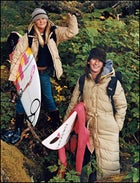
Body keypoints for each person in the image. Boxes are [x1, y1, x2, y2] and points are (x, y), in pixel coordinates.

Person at [5, 8, 78, 144]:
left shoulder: (54, 32)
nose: (41, 21)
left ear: (47, 19)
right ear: (34, 21)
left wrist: (71, 17)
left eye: (43, 18)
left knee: (48, 97)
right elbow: (17, 56)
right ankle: (18, 128)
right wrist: (12, 77)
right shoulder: (29, 36)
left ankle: (56, 125)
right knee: (22, 99)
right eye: (38, 19)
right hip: (30, 74)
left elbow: (72, 32)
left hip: (44, 72)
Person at [63, 47, 127, 181]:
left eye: (100, 60)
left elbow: (121, 106)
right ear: (88, 61)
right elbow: (73, 104)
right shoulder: (83, 81)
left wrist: (117, 126)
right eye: (93, 59)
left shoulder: (112, 82)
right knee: (84, 166)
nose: (96, 63)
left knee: (108, 171)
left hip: (108, 131)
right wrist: (65, 127)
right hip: (87, 130)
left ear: (104, 63)